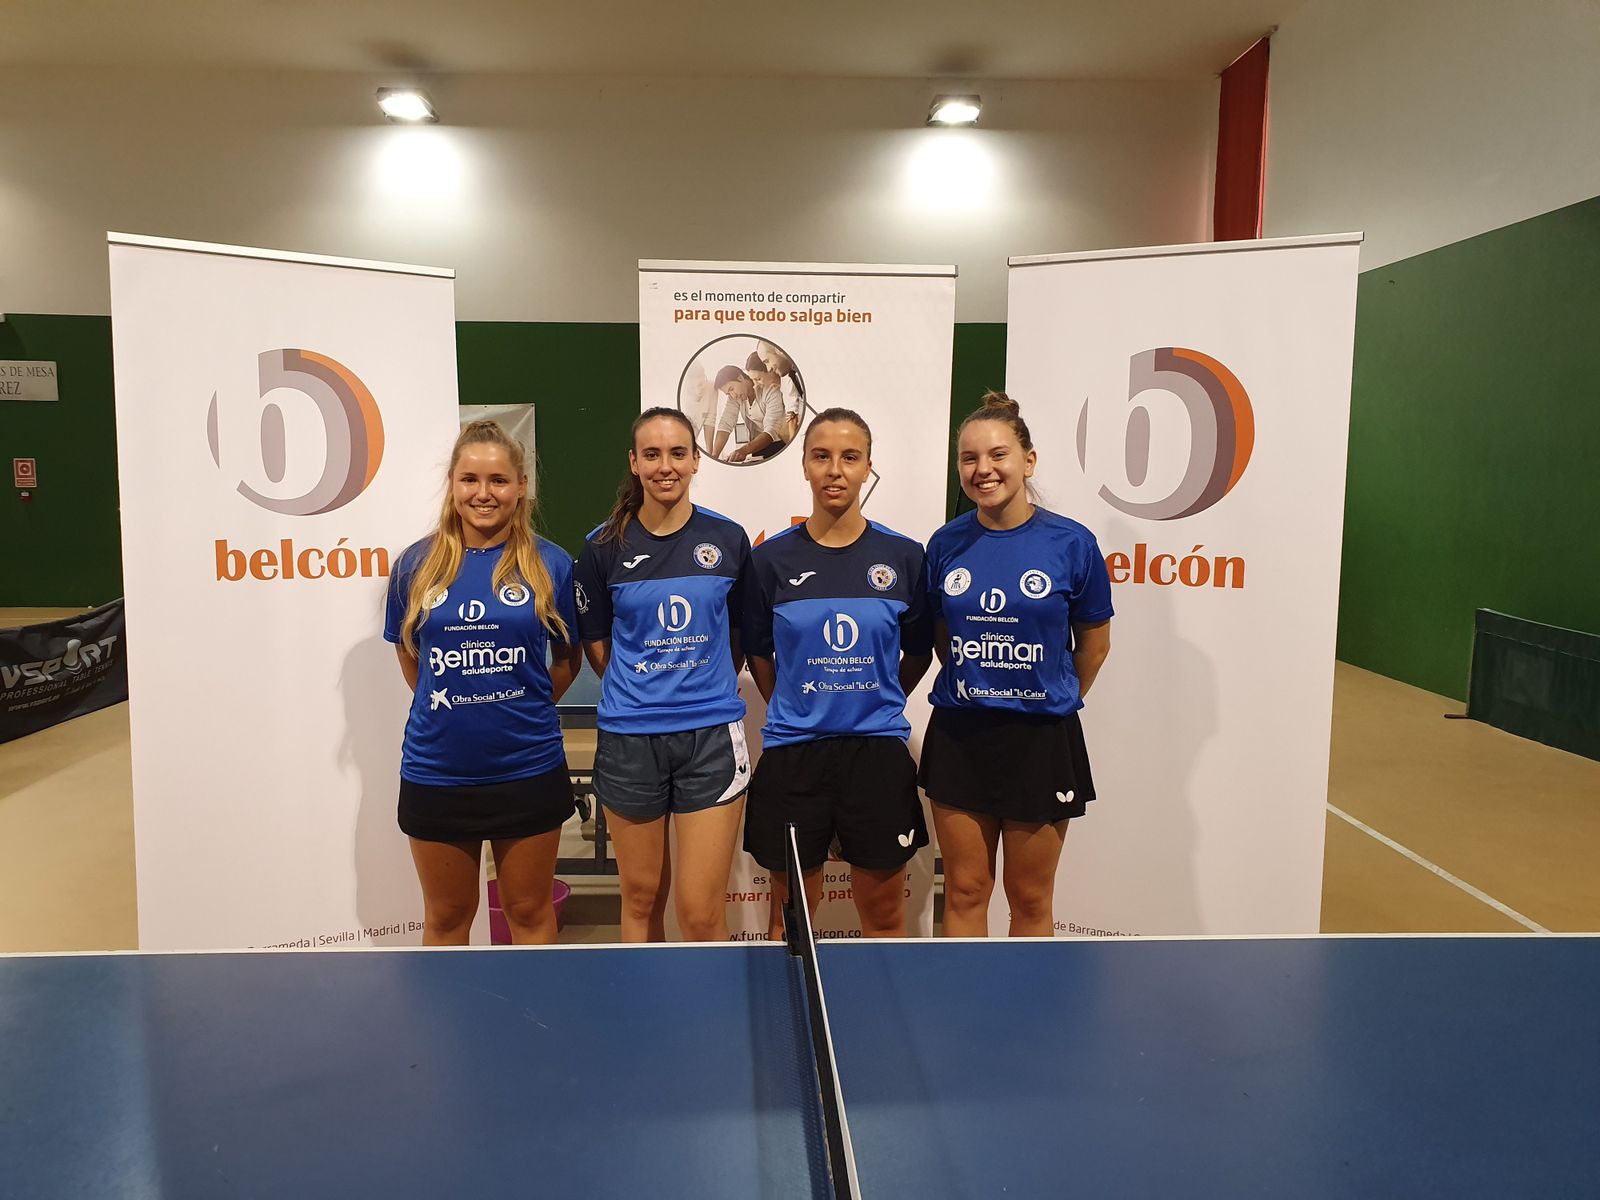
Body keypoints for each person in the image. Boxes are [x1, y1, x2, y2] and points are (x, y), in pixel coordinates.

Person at [920, 393, 1113, 937]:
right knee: (964, 891)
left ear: (1028, 461)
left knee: (1029, 898)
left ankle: (1025, 997)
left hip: (1041, 741)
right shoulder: (945, 544)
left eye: (997, 455)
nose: (983, 469)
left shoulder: (1072, 543)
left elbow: (1094, 646)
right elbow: (944, 638)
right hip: (961, 736)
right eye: (969, 458)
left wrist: (1045, 693)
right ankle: (966, 993)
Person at [385, 419, 580, 946]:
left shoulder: (551, 563)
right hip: (436, 771)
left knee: (529, 913)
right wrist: (457, 704)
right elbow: (410, 656)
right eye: (470, 479)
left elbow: (566, 661)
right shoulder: (415, 566)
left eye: (498, 480)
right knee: (447, 918)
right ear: (452, 483)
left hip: (528, 767)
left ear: (521, 486)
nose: (483, 493)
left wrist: (518, 706)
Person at [743, 408, 932, 938]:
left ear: (868, 467)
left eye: (850, 457)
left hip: (876, 754)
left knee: (885, 916)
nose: (835, 470)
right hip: (794, 753)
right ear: (804, 465)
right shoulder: (769, 561)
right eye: (821, 456)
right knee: (792, 921)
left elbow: (919, 651)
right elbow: (758, 652)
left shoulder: (904, 557)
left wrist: (879, 698)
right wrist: (795, 704)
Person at [573, 407, 752, 941]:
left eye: (677, 453)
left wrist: (699, 685)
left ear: (696, 460)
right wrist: (640, 689)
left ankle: (712, 1001)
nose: (665, 466)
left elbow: (738, 635)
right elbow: (596, 643)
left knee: (700, 913)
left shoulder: (728, 539)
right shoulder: (602, 546)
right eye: (652, 454)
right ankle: (645, 999)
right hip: (630, 739)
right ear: (634, 463)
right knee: (641, 899)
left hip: (710, 740)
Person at [710, 365, 787, 463]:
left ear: (740, 377)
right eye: (728, 393)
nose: (733, 395)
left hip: (781, 444)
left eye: (731, 389)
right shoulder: (735, 397)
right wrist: (714, 457)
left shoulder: (769, 389)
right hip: (758, 447)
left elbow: (772, 429)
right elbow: (725, 423)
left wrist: (744, 450)